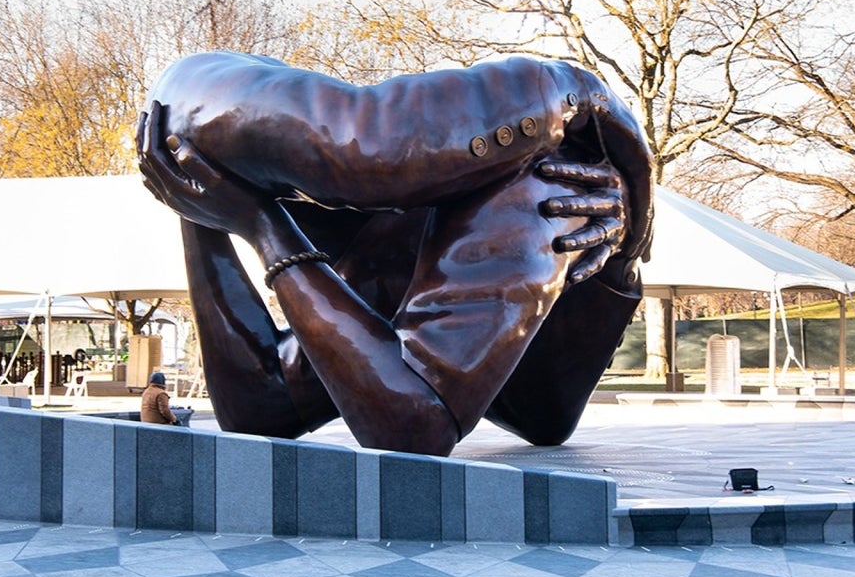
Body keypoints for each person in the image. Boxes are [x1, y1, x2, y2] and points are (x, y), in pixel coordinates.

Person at [138, 51, 653, 457]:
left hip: (544, 240)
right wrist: (194, 197)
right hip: (538, 369)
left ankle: (559, 87)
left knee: (365, 141)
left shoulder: (535, 195)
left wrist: (260, 224)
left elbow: (413, 430)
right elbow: (262, 409)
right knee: (360, 144)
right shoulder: (398, 239)